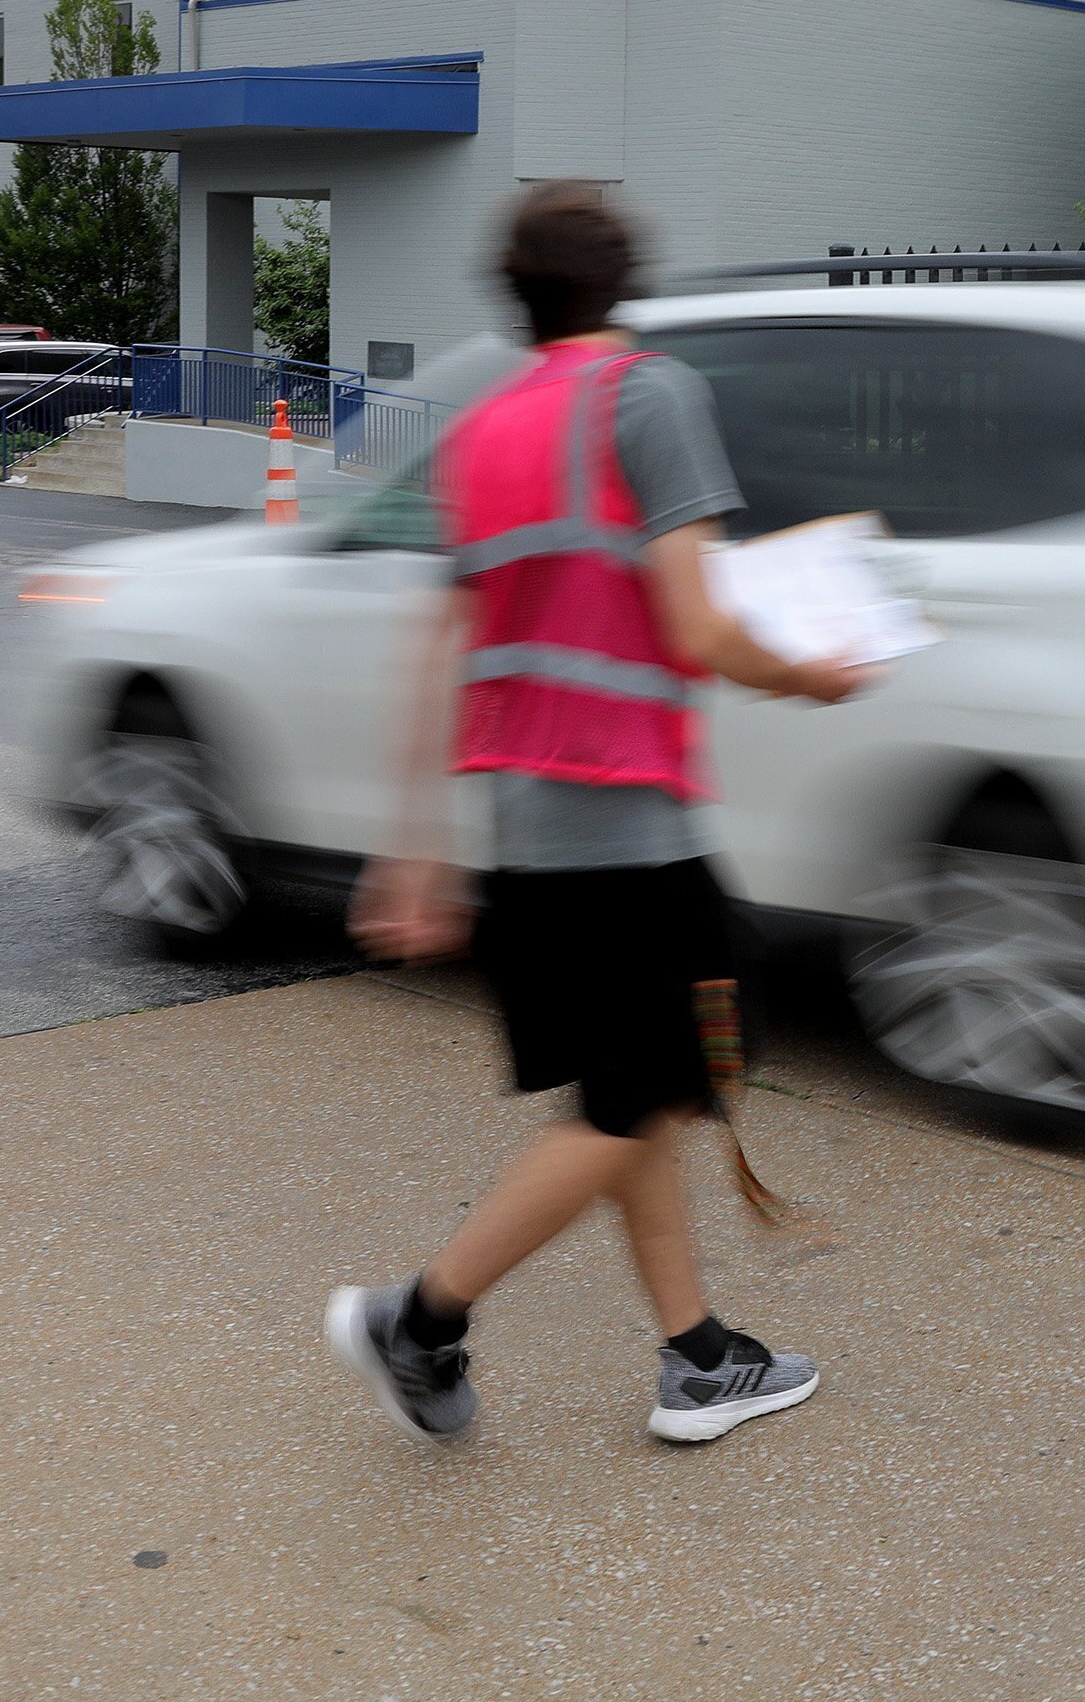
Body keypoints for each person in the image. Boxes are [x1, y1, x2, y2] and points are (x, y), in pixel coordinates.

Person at [326, 181, 862, 1445]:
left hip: (529, 840)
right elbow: (694, 621)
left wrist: (413, 845)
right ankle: (423, 1317)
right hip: (635, 827)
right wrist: (814, 671)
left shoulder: (485, 427)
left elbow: (442, 647)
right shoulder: (650, 395)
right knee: (644, 1094)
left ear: (515, 297)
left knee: (630, 1102)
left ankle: (696, 1356)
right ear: (624, 282)